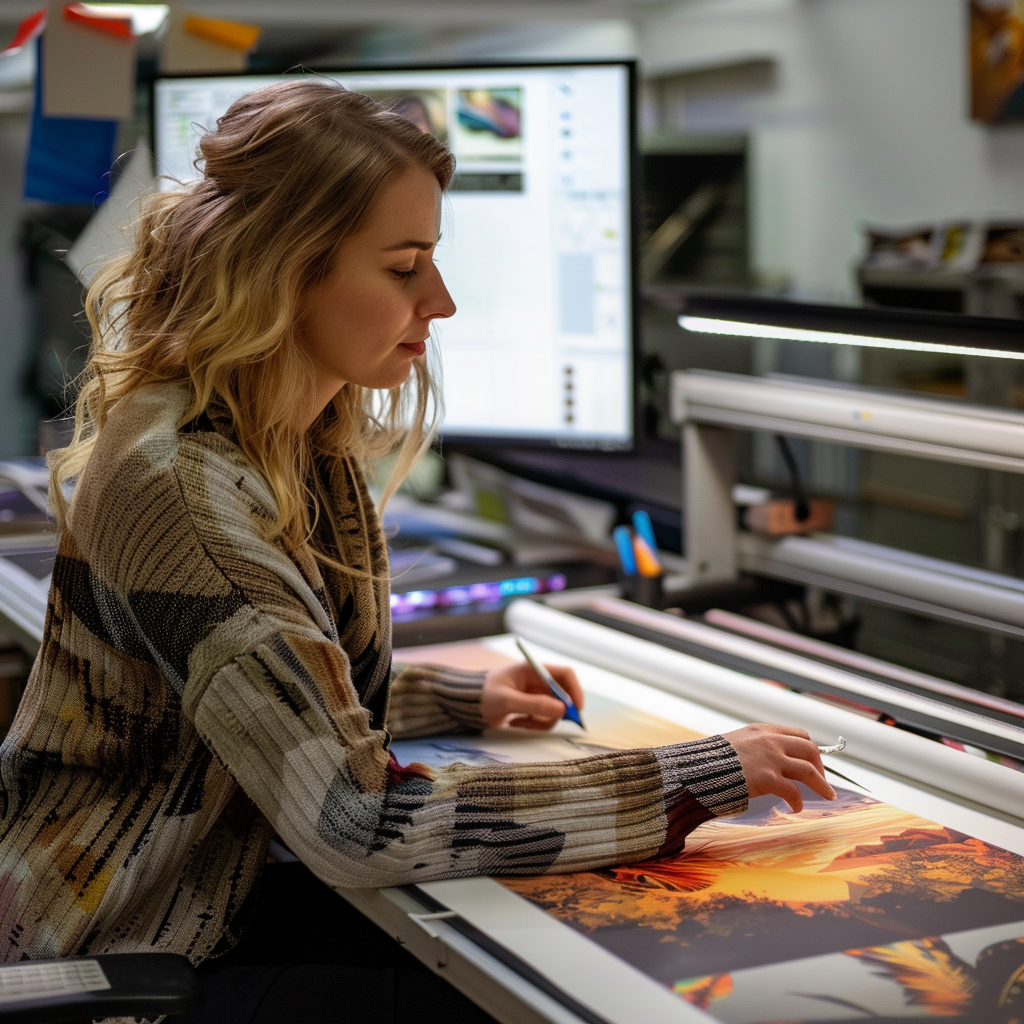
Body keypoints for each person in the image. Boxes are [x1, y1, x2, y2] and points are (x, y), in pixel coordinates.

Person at [0, 79, 834, 1023]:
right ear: (285, 272)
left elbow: (265, 699)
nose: (438, 302)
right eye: (403, 268)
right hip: (133, 940)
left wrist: (458, 699)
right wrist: (698, 773)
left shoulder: (288, 433)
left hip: (213, 885)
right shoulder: (184, 489)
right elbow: (359, 825)